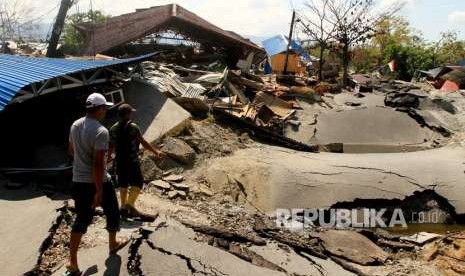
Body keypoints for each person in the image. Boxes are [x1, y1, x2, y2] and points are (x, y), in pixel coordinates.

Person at [66, 93, 128, 276]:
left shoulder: (75, 124)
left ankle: (73, 262)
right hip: (97, 182)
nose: (106, 112)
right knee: (113, 211)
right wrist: (99, 191)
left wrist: (83, 157)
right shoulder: (101, 131)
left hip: (78, 180)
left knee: (81, 220)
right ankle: (112, 244)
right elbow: (98, 165)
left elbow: (71, 151)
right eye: (105, 109)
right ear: (100, 109)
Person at [109, 103, 164, 218]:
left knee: (123, 184)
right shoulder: (133, 127)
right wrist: (156, 151)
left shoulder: (113, 128)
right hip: (132, 160)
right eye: (131, 112)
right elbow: (143, 142)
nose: (132, 114)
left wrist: (109, 156)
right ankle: (129, 204)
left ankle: (123, 208)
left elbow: (111, 145)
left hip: (119, 160)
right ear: (127, 114)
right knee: (138, 183)